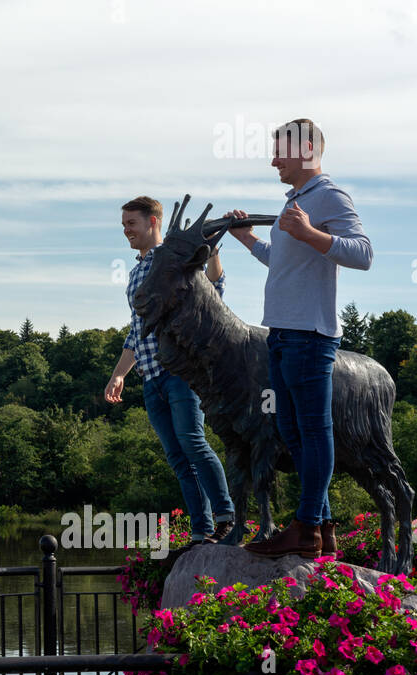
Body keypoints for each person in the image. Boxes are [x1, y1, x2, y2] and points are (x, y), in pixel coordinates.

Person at [229, 119, 372, 559]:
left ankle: (306, 528)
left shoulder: (329, 195)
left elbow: (363, 253)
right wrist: (249, 240)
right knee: (292, 431)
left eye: (280, 152)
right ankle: (322, 528)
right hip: (281, 335)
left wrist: (309, 232)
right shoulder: (295, 200)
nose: (273, 161)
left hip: (310, 336)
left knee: (312, 430)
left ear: (307, 149)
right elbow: (284, 261)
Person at [106, 196, 236, 545]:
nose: (126, 230)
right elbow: (137, 330)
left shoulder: (174, 258)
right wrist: (119, 374)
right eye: (123, 225)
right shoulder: (136, 273)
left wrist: (213, 252)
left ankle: (227, 518)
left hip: (181, 372)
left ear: (153, 221)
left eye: (131, 223)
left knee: (193, 442)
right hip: (151, 377)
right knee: (177, 457)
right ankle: (201, 531)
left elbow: (215, 289)